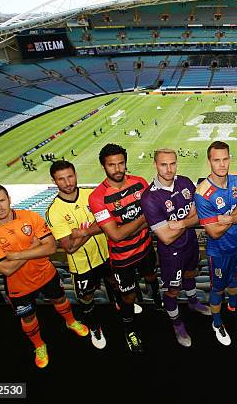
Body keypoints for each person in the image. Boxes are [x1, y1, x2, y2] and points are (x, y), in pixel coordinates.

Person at [0, 184, 88, 369]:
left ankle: (71, 321)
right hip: (19, 285)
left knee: (60, 298)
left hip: (46, 273)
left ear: (9, 198)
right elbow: (7, 270)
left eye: (1, 200)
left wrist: (17, 254)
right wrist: (34, 248)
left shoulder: (30, 216)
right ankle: (39, 345)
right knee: (28, 317)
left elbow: (51, 248)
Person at [89, 144, 164, 354]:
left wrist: (127, 226)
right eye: (111, 165)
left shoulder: (139, 182)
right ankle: (129, 329)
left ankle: (157, 299)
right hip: (122, 259)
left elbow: (154, 213)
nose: (117, 169)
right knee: (128, 297)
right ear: (103, 166)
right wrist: (142, 219)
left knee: (151, 276)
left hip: (146, 247)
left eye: (120, 163)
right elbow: (115, 235)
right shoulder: (97, 198)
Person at [140, 149, 211, 348]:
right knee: (172, 290)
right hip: (171, 253)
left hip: (190, 242)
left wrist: (180, 223)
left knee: (190, 273)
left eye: (172, 163)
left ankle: (192, 301)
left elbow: (200, 215)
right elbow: (166, 237)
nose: (169, 169)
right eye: (164, 164)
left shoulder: (185, 182)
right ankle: (177, 323)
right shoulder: (149, 198)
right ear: (155, 165)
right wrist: (188, 220)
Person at [46, 160, 118, 349]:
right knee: (87, 298)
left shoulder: (92, 196)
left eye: (70, 176)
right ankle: (95, 327)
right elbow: (69, 247)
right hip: (82, 265)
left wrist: (83, 232)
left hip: (106, 254)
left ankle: (118, 303)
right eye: (61, 179)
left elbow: (111, 222)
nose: (68, 182)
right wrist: (97, 227)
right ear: (54, 181)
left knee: (115, 282)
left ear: (76, 174)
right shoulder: (54, 211)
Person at [194, 141, 237, 345]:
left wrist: (227, 218)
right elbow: (214, 232)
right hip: (219, 252)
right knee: (218, 289)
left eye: (225, 159)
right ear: (209, 161)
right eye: (216, 160)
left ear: (230, 158)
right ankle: (217, 322)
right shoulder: (202, 193)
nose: (221, 164)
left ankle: (233, 306)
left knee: (236, 277)